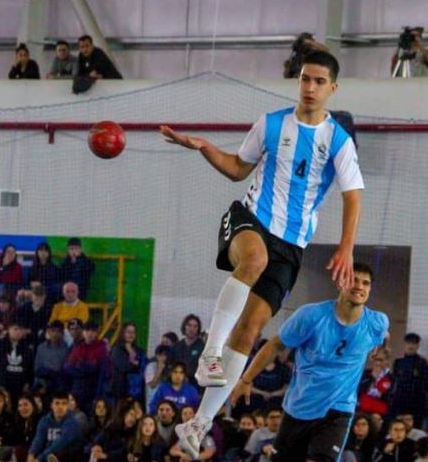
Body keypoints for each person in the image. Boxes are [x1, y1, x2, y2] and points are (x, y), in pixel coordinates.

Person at [160, 49, 363, 453]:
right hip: (250, 220)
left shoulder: (338, 140)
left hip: (291, 244)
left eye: (319, 81)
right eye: (305, 78)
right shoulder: (271, 124)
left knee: (251, 329)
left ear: (332, 88)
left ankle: (198, 424)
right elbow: (238, 168)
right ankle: (210, 353)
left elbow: (353, 196)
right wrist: (203, 147)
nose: (310, 87)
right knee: (254, 259)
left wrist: (346, 248)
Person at [229, 263, 387, 462]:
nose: (360, 286)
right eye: (354, 280)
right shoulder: (311, 316)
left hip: (337, 410)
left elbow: (383, 335)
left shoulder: (376, 322)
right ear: (341, 282)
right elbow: (276, 345)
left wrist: (379, 348)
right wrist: (246, 380)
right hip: (298, 408)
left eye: (366, 283)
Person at [0, 322, 34, 403]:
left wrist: (28, 383)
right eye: (15, 329)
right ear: (9, 330)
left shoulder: (27, 349)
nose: (18, 332)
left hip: (18, 391)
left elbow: (30, 369)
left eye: (21, 329)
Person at [64, 321, 110, 415]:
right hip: (78, 390)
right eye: (87, 330)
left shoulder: (101, 348)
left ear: (97, 333)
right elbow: (68, 367)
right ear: (83, 332)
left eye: (93, 331)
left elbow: (103, 372)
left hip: (93, 390)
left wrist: (81, 366)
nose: (90, 334)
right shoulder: (78, 347)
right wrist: (86, 369)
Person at [28, 392, 83, 462]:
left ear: (68, 406)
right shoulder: (44, 420)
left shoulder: (72, 422)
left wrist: (39, 459)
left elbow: (61, 443)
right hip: (46, 454)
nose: (60, 407)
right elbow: (38, 440)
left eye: (64, 403)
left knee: (60, 452)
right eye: (57, 403)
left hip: (67, 456)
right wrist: (31, 454)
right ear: (51, 405)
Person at [390, 332, 428, 423]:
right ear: (404, 344)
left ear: (418, 346)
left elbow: (423, 384)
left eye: (414, 343)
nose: (411, 346)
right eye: (408, 343)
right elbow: (394, 381)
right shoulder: (398, 362)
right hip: (399, 401)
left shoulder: (422, 363)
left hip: (415, 403)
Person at [109, 322, 147, 402]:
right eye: (128, 332)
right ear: (122, 333)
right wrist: (136, 363)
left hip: (137, 390)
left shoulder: (139, 350)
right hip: (121, 390)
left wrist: (136, 363)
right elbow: (125, 367)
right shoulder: (117, 349)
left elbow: (144, 365)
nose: (131, 335)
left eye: (133, 332)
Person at [170, 314, 204, 382]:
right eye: (189, 325)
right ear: (184, 326)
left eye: (195, 326)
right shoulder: (176, 346)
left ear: (198, 328)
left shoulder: (202, 346)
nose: (192, 329)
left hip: (196, 386)